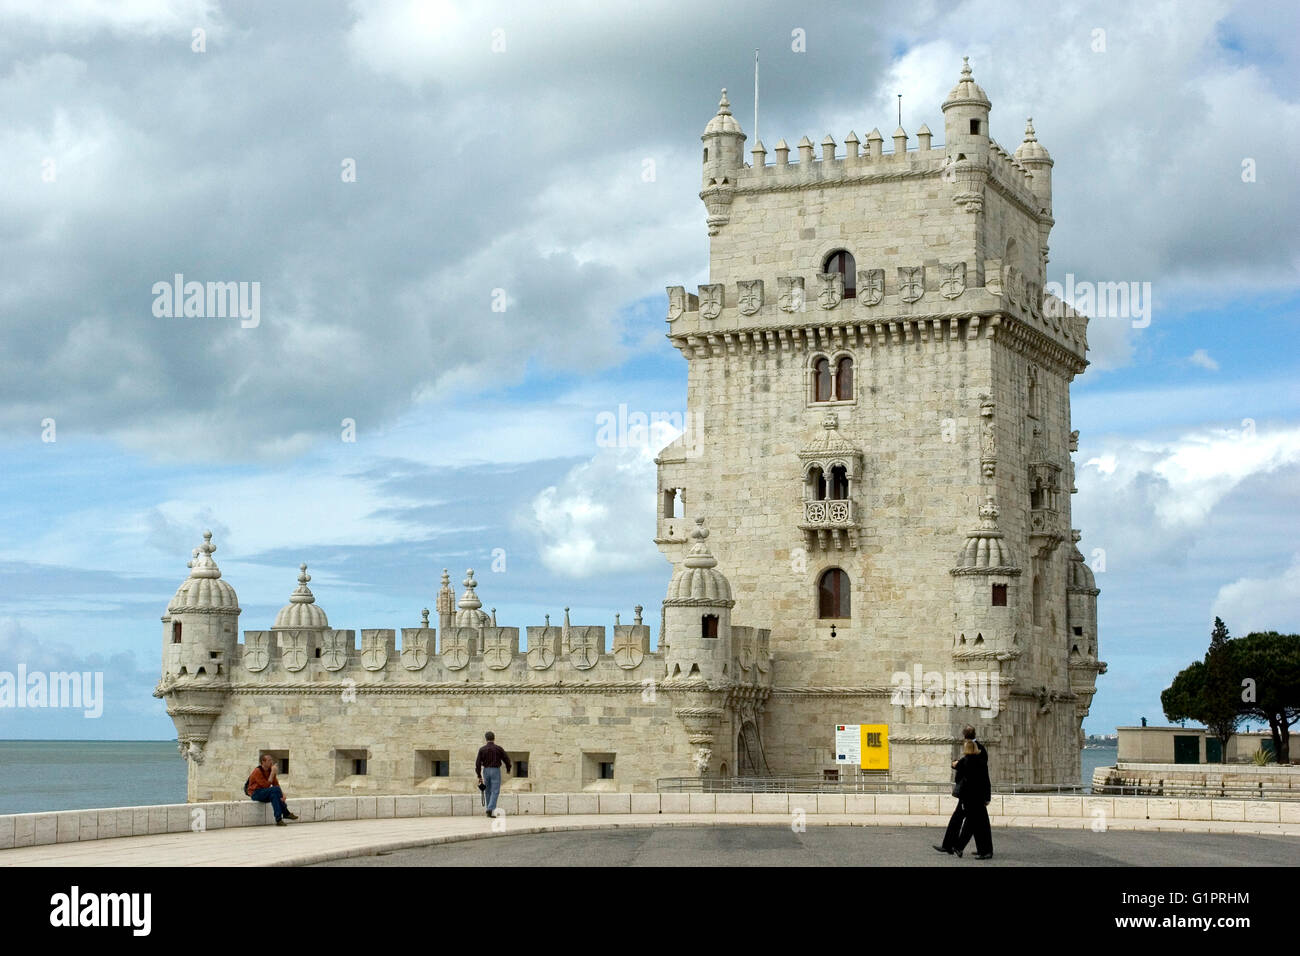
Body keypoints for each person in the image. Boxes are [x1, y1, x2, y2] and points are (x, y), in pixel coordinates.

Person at [934, 725, 978, 856]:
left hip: (969, 794)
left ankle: (956, 846)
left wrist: (956, 764)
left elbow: (967, 765)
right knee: (960, 819)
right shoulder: (976, 748)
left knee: (967, 821)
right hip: (970, 794)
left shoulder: (974, 750)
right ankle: (950, 846)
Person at [953, 734, 993, 859]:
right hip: (980, 798)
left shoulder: (965, 762)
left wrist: (955, 765)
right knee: (981, 824)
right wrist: (987, 798)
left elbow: (958, 779)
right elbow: (987, 781)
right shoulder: (981, 762)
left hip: (969, 799)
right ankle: (985, 850)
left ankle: (981, 851)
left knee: (974, 825)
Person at [246, 754, 298, 825]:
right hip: (255, 793)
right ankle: (286, 813)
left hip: (265, 793)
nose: (271, 762)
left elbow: (275, 784)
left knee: (274, 795)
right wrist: (272, 773)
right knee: (275, 790)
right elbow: (265, 785)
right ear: (263, 762)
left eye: (272, 760)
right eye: (269, 760)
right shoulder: (257, 771)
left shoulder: (270, 770)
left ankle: (278, 819)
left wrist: (282, 795)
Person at [474, 731, 512, 818]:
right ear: (494, 738)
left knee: (487, 791)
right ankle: (490, 808)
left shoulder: (482, 749)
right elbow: (506, 759)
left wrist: (479, 775)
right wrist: (508, 768)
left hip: (486, 770)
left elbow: (478, 763)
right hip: (495, 770)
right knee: (495, 791)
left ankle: (489, 809)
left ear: (486, 739)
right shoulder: (498, 748)